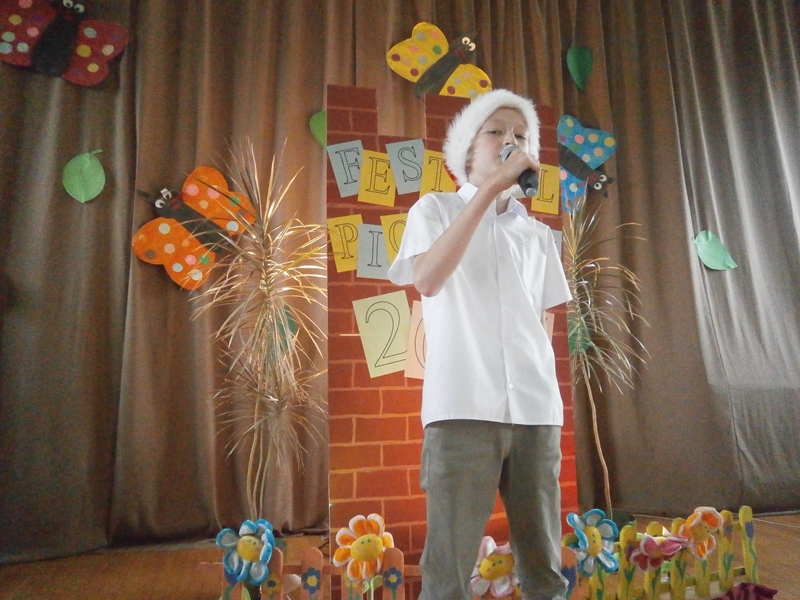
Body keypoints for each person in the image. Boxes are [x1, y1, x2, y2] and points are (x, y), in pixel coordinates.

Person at [387, 89, 572, 600]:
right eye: (497, 132)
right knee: (449, 569)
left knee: (545, 567)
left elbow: (543, 321)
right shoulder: (435, 208)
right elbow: (427, 280)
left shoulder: (536, 235)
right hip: (462, 408)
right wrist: (490, 190)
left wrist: (544, 391)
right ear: (467, 149)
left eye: (522, 136)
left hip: (536, 412)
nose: (511, 141)